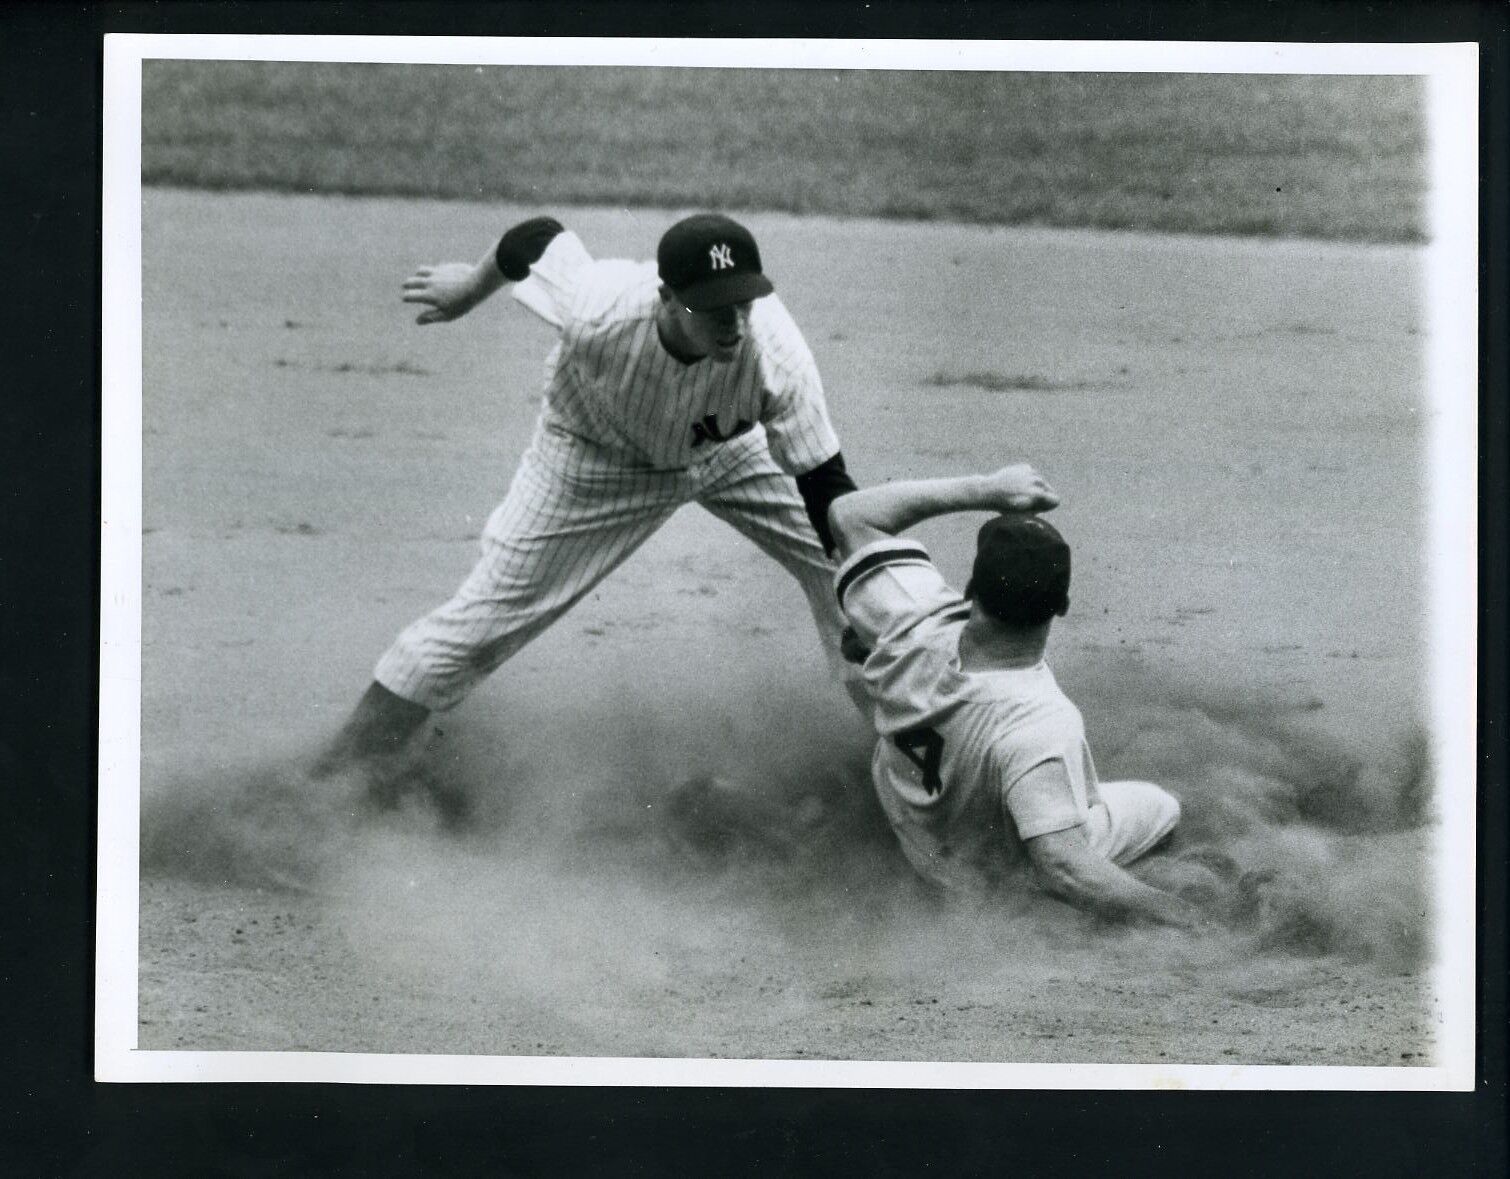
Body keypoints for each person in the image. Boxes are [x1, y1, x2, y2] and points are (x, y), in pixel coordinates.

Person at [314, 213, 863, 800]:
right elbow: (536, 237)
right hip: (595, 459)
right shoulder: (599, 307)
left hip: (727, 451)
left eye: (743, 302)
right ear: (667, 298)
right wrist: (469, 290)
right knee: (479, 623)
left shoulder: (775, 353)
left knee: (854, 577)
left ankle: (889, 766)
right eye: (712, 307)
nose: (732, 322)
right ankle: (327, 788)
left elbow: (826, 483)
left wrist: (862, 570)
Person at [825, 466, 1201, 927]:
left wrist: (987, 489)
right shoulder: (1040, 721)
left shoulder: (912, 618)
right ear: (1061, 607)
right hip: (979, 885)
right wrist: (1183, 915)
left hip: (907, 822)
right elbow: (1064, 867)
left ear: (969, 592)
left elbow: (849, 514)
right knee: (1161, 806)